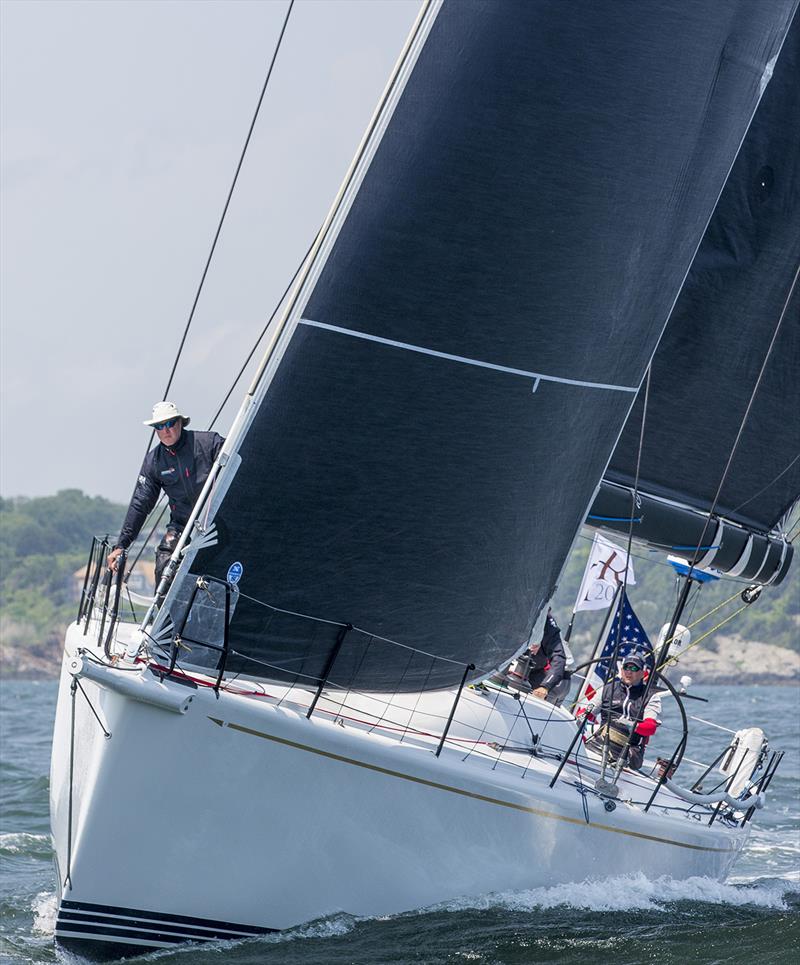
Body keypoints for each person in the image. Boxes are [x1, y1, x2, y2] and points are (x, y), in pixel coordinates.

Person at [107, 401, 224, 590]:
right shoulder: (154, 461)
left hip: (220, 519)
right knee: (164, 564)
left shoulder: (209, 443)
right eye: (159, 426)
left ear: (180, 422)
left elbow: (243, 463)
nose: (165, 430)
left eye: (169, 423)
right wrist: (122, 545)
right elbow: (140, 503)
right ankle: (167, 617)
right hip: (182, 525)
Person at [586, 652, 661, 770]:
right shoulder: (607, 689)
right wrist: (582, 720)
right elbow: (587, 713)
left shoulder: (651, 696)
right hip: (600, 745)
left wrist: (631, 725)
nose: (629, 672)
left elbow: (650, 727)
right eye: (626, 667)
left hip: (628, 753)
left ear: (642, 673)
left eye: (634, 668)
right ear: (621, 670)